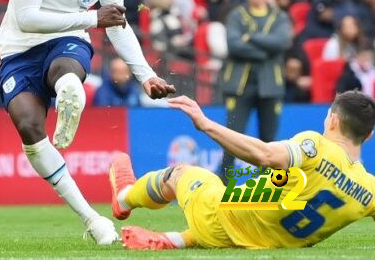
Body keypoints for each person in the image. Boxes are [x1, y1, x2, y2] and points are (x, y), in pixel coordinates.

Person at [0, 0, 175, 244]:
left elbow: (117, 26)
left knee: (66, 66)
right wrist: (92, 19)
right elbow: (27, 18)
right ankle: (92, 219)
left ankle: (68, 90)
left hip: (69, 42)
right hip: (18, 48)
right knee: (30, 129)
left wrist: (146, 75)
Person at [109, 90, 375, 250]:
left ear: (333, 119)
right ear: (368, 136)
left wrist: (206, 125)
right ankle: (175, 240)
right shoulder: (370, 190)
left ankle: (124, 198)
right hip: (271, 243)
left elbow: (265, 154)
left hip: (221, 219)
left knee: (180, 174)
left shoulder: (316, 146)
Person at [221, 0, 291, 178]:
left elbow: (281, 43)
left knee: (269, 141)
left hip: (271, 85)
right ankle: (223, 183)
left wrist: (249, 37)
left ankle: (266, 185)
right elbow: (234, 46)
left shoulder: (279, 16)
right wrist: (265, 51)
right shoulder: (236, 15)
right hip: (240, 85)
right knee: (231, 138)